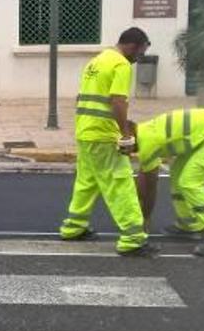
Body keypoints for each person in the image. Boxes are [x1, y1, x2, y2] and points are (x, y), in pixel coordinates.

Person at [58, 27, 158, 257]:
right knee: (120, 183)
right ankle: (133, 238)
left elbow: (80, 98)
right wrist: (125, 134)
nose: (138, 59)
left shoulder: (97, 61)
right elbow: (118, 101)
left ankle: (74, 227)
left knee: (87, 181)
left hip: (85, 131)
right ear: (133, 46)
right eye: (140, 53)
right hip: (103, 134)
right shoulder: (120, 64)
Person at [132, 108, 204, 257]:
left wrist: (144, 219)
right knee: (177, 175)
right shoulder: (144, 130)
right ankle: (189, 225)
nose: (122, 151)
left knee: (190, 183)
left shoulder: (147, 143)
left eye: (121, 146)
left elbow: (148, 186)